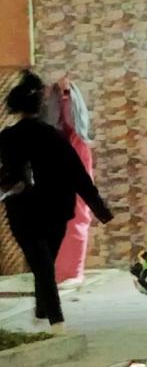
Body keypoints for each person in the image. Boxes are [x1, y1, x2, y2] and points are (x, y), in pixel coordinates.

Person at [0, 72, 113, 332]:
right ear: (39, 107)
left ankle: (49, 317)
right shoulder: (54, 137)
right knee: (45, 264)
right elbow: (77, 173)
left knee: (41, 265)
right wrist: (100, 209)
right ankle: (53, 318)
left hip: (23, 212)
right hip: (56, 210)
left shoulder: (6, 138)